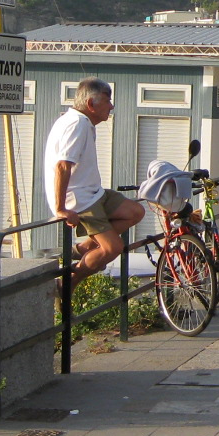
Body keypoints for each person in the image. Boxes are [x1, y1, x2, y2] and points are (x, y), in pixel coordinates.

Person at [45, 77, 146, 284]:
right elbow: (62, 166)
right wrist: (61, 208)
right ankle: (67, 282)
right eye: (107, 100)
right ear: (91, 104)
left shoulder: (81, 122)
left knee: (135, 211)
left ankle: (81, 250)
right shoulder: (76, 125)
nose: (111, 106)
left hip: (94, 192)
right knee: (113, 248)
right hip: (81, 200)